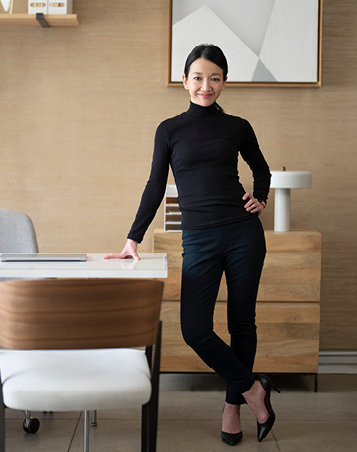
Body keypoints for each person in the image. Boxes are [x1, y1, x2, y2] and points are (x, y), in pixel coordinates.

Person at [105, 44, 277, 445]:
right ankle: (254, 390)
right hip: (198, 237)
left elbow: (261, 168)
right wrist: (133, 238)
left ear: (224, 82)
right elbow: (154, 186)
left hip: (242, 234)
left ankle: (232, 408)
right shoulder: (169, 129)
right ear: (184, 81)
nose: (206, 85)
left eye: (214, 78)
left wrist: (261, 197)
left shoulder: (237, 126)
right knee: (195, 329)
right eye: (198, 77)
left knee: (241, 323)